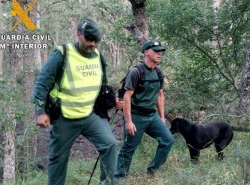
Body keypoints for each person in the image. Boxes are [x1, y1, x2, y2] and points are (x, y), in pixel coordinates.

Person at [32, 18, 122, 185]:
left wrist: (113, 98)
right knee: (58, 159)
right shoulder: (62, 54)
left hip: (90, 115)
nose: (93, 44)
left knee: (110, 144)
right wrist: (40, 112)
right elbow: (42, 83)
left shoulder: (98, 57)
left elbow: (103, 85)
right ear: (79, 34)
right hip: (65, 117)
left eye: (96, 41)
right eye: (89, 39)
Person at [114, 40, 174, 179]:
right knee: (128, 149)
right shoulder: (136, 72)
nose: (159, 54)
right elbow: (127, 97)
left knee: (168, 140)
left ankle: (152, 171)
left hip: (152, 116)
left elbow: (160, 95)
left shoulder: (158, 72)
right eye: (156, 51)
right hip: (136, 117)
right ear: (146, 52)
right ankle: (119, 179)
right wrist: (129, 121)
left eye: (160, 51)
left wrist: (162, 118)